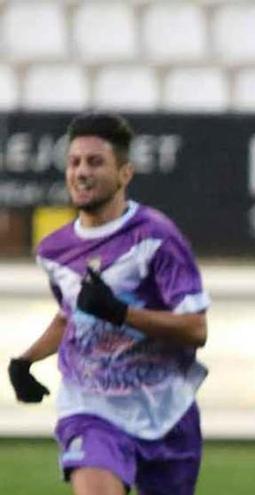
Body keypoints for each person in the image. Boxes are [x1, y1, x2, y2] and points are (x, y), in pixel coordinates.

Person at [7, 113, 210, 495]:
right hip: (90, 408)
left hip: (164, 411)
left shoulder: (157, 238)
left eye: (95, 162)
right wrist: (26, 360)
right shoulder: (54, 250)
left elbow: (195, 329)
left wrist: (122, 313)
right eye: (74, 162)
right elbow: (72, 315)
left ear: (124, 173)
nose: (82, 172)